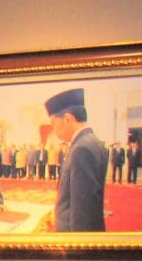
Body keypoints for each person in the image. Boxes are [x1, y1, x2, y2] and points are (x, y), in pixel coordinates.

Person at [46, 87, 107, 231]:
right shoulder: (91, 142)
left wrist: (76, 249)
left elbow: (82, 213)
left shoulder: (82, 149)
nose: (53, 129)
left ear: (68, 119)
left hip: (75, 240)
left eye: (54, 123)